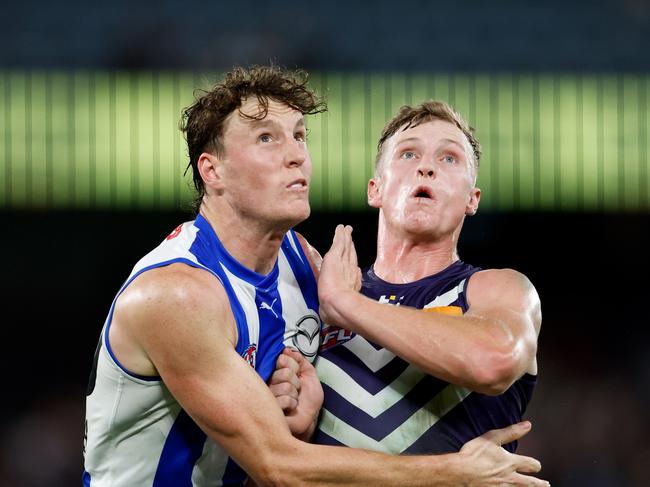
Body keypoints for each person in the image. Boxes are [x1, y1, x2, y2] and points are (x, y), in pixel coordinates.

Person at [83, 66, 548, 486]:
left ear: (474, 197)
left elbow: (493, 361)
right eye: (267, 138)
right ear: (213, 169)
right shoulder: (177, 294)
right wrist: (454, 474)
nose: (296, 156)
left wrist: (300, 421)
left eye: (300, 137)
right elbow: (279, 464)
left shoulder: (311, 274)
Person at [306, 100, 541, 455]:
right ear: (376, 189)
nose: (427, 167)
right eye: (408, 154)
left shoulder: (498, 289)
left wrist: (346, 304)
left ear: (471, 199)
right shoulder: (317, 297)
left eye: (449, 159)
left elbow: (494, 361)